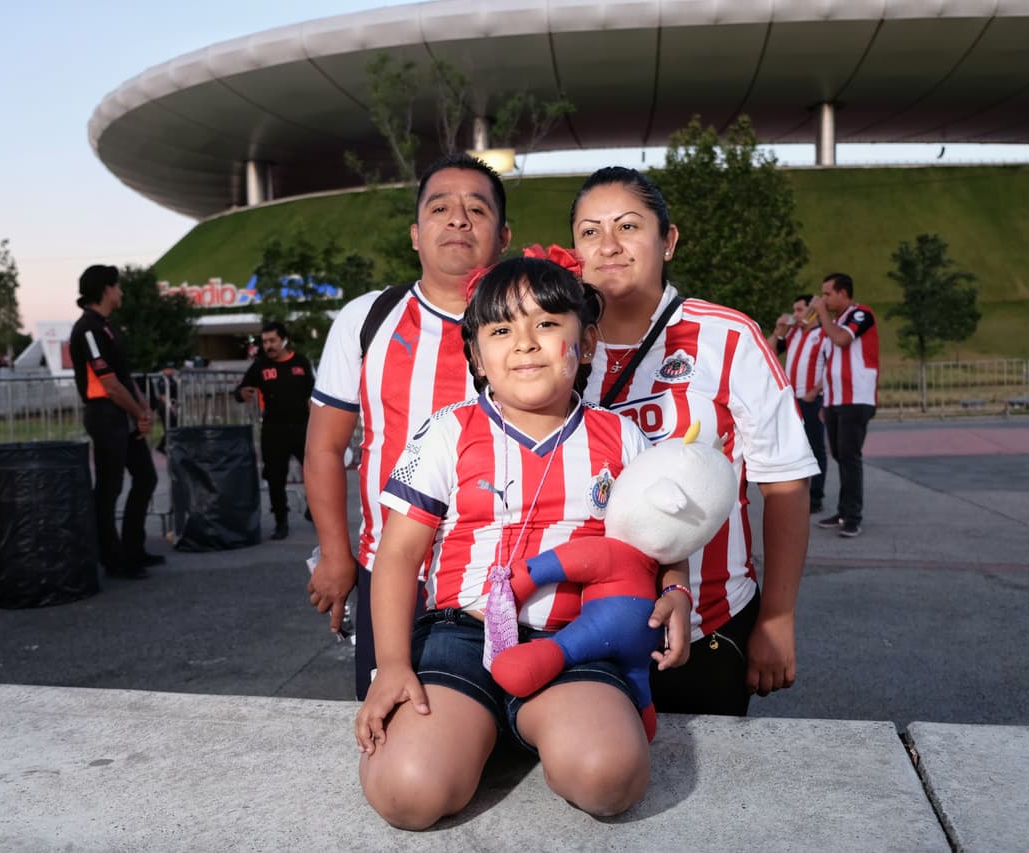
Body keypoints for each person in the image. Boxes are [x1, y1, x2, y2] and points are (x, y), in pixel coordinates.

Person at [354, 253, 690, 829]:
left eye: (547, 323)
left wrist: (677, 591)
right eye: (502, 329)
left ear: (584, 343)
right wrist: (390, 665)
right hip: (463, 633)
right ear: (478, 358)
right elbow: (398, 556)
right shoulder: (445, 431)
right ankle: (474, 727)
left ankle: (533, 726)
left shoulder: (623, 438)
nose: (526, 343)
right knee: (409, 794)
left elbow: (662, 544)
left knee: (609, 778)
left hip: (575, 640)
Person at [570, 166, 817, 716]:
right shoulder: (552, 342)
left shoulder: (727, 337)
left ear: (668, 240)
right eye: (590, 232)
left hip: (709, 623)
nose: (608, 245)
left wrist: (777, 618)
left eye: (628, 226)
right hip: (580, 631)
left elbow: (786, 483)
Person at [305, 153, 511, 700]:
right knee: (398, 728)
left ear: (504, 235)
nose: (458, 219)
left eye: (477, 209)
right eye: (440, 207)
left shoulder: (532, 324)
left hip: (507, 578)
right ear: (416, 234)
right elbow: (326, 448)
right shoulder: (368, 318)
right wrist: (334, 555)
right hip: (391, 573)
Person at [69, 264, 164, 580]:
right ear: (106, 289)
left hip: (124, 414)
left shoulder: (108, 327)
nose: (121, 292)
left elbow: (124, 375)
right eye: (118, 286)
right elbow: (108, 384)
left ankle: (133, 549)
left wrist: (143, 407)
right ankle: (112, 558)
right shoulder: (88, 329)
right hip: (105, 415)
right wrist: (138, 413)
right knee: (109, 489)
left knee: (146, 477)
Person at [810, 273, 879, 538]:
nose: (823, 299)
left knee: (850, 456)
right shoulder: (835, 322)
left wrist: (821, 314)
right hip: (835, 399)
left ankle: (852, 516)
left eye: (828, 294)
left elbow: (842, 339)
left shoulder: (860, 314)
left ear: (843, 293)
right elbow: (830, 362)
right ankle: (842, 510)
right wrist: (825, 399)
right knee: (840, 455)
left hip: (856, 398)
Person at [235, 323, 315, 540]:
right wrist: (243, 393)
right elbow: (239, 391)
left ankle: (315, 509)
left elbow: (314, 393)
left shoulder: (301, 363)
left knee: (315, 472)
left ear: (284, 340)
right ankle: (281, 522)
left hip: (301, 427)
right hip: (274, 429)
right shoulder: (260, 366)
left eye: (272, 341)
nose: (268, 346)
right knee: (275, 478)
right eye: (265, 341)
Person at [774, 295, 827, 512]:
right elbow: (768, 351)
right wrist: (779, 329)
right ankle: (796, 493)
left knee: (815, 448)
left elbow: (830, 365)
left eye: (799, 310)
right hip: (792, 401)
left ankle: (816, 497)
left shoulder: (823, 335)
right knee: (793, 448)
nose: (795, 314)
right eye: (794, 310)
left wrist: (815, 391)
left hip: (810, 399)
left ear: (812, 311)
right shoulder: (794, 333)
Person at [150, 362, 180, 454]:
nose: (171, 370)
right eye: (169, 368)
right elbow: (163, 396)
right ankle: (162, 446)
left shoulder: (171, 379)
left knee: (173, 426)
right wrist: (171, 407)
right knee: (170, 426)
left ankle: (164, 446)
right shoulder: (162, 379)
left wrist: (175, 405)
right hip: (164, 406)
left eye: (172, 368)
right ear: (164, 370)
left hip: (171, 405)